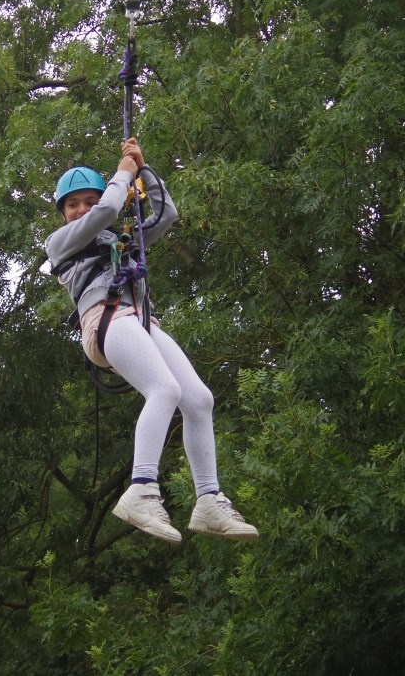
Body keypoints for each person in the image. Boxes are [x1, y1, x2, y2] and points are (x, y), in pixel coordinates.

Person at [45, 138, 258, 544]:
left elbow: (167, 214)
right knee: (164, 389)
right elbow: (108, 209)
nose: (83, 209)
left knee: (198, 399)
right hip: (105, 321)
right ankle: (142, 489)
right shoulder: (61, 242)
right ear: (62, 213)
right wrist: (123, 174)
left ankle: (209, 499)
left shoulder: (118, 238)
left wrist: (143, 170)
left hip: (140, 322)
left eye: (89, 200)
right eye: (73, 204)